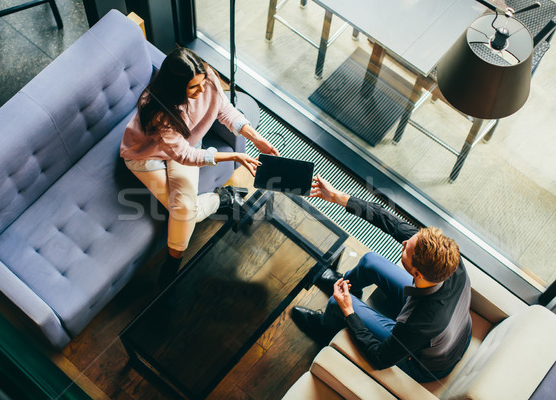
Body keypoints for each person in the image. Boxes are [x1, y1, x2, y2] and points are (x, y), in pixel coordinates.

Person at [292, 174, 472, 383]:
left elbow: (380, 357)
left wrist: (349, 312)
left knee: (337, 305)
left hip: (422, 360)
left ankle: (324, 327)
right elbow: (389, 221)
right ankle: (347, 287)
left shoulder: (420, 322)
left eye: (406, 250)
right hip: (451, 327)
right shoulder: (449, 259)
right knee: (370, 261)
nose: (403, 244)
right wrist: (336, 196)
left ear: (417, 274)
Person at [120, 47, 279, 281]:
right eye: (194, 87)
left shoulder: (207, 78)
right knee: (186, 210)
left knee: (184, 209)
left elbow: (225, 110)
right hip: (147, 156)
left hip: (187, 144)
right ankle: (221, 199)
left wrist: (256, 138)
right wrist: (234, 157)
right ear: (176, 88)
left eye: (203, 82)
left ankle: (172, 260)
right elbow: (184, 156)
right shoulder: (157, 110)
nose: (203, 90)